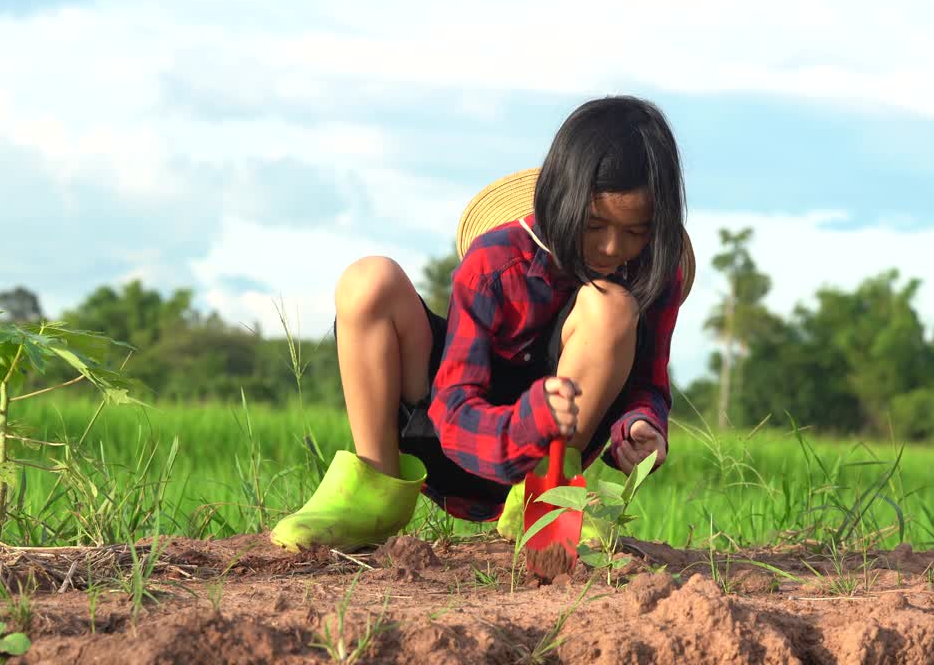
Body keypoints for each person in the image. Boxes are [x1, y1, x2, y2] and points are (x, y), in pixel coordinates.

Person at [270, 95, 694, 552]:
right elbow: (452, 410)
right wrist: (526, 423)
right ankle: (374, 490)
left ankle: (549, 499)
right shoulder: (495, 262)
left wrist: (639, 426)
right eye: (594, 225)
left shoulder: (652, 271)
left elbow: (648, 382)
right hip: (448, 439)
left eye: (635, 232)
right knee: (368, 280)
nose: (613, 248)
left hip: (546, 473)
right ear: (562, 200)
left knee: (610, 306)